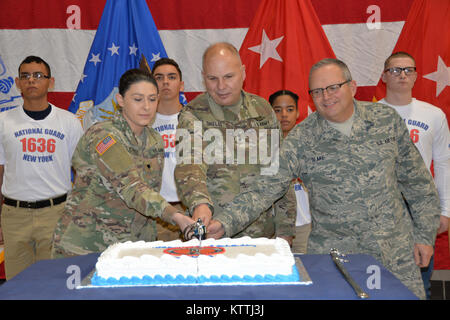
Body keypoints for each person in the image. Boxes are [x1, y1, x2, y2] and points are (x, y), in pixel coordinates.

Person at [207, 58, 441, 299]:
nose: (326, 97)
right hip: (337, 262)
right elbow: (263, 188)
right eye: (317, 91)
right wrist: (223, 223)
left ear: (352, 87)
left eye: (332, 87)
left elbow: (418, 184)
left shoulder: (386, 120)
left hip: (395, 254)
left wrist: (424, 236)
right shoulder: (302, 139)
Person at [51, 69, 194, 258]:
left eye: (152, 99)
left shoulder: (154, 139)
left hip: (134, 246)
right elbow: (131, 187)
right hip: (89, 245)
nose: (146, 107)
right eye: (137, 99)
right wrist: (175, 216)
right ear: (120, 100)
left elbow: (150, 191)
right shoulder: (103, 136)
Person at [174, 42, 293, 240]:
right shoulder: (192, 114)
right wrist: (200, 203)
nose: (221, 86)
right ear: (204, 77)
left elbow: (279, 174)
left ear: (243, 73)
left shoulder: (262, 110)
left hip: (262, 237)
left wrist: (286, 231)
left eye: (229, 76)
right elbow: (189, 163)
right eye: (213, 79)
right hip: (213, 233)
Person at [0, 56, 84, 279]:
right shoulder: (3, 121)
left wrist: (77, 213)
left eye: (38, 75)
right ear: (17, 83)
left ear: (51, 81)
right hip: (14, 214)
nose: (31, 81)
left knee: (53, 283)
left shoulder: (68, 122)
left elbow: (83, 172)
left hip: (55, 212)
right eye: (25, 76)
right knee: (18, 286)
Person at [378, 51, 450, 299]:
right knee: (378, 278)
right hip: (381, 208)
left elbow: (443, 165)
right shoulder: (368, 115)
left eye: (408, 69)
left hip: (420, 208)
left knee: (420, 283)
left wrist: (445, 210)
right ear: (384, 76)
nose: (402, 75)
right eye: (395, 70)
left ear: (416, 75)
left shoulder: (433, 115)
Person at [269, 90, 311, 253]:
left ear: (298, 112)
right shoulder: (262, 148)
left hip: (304, 225)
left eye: (290, 109)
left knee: (307, 271)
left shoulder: (309, 145)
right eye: (278, 110)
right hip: (273, 227)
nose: (284, 115)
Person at [151, 58, 186, 240]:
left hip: (190, 207)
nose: (165, 82)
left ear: (181, 85)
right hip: (156, 209)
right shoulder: (142, 123)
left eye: (171, 77)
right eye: (159, 77)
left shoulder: (196, 120)